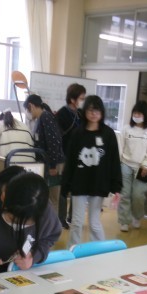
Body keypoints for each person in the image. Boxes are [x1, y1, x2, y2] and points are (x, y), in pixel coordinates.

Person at [61, 95, 122, 248]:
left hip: (99, 183)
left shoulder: (108, 134)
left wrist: (116, 186)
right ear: (85, 112)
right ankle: (72, 251)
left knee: (94, 223)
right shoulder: (77, 133)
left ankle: (100, 251)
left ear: (102, 112)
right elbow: (71, 161)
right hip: (79, 183)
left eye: (97, 110)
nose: (94, 114)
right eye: (90, 110)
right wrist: (65, 185)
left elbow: (114, 161)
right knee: (77, 222)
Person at [117, 100, 147, 232]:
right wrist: (118, 163)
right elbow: (120, 147)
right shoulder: (126, 129)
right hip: (125, 164)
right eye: (135, 113)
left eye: (139, 113)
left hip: (142, 168)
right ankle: (124, 220)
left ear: (145, 115)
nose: (136, 116)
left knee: (139, 195)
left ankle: (137, 216)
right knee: (125, 194)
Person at [23, 94, 65, 211]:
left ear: (31, 106)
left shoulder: (46, 117)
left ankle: (52, 222)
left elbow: (54, 142)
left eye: (27, 110)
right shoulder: (41, 118)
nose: (28, 113)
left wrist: (53, 166)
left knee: (52, 199)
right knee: (47, 198)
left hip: (53, 164)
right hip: (47, 162)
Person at [56, 83, 87, 229]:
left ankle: (72, 216)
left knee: (76, 188)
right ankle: (61, 217)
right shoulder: (62, 113)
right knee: (63, 188)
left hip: (80, 157)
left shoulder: (81, 114)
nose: (83, 100)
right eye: (81, 98)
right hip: (65, 156)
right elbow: (58, 137)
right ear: (73, 99)